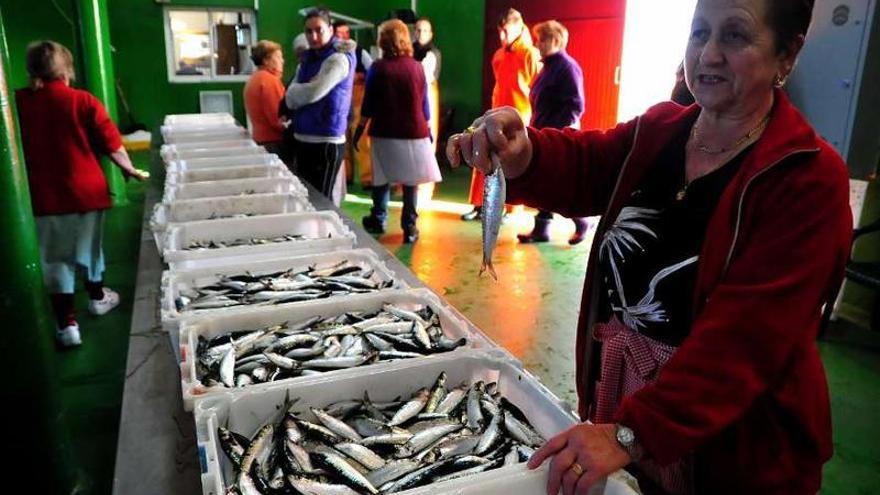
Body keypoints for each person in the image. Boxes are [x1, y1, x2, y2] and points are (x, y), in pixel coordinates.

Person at [447, 0, 850, 493]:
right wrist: (523, 150)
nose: (709, 53)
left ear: (787, 55)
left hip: (733, 445)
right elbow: (586, 165)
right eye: (700, 32)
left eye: (735, 36)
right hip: (626, 416)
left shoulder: (808, 179)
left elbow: (747, 340)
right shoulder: (661, 130)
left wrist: (633, 431)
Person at [15, 41, 147, 347]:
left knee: (54, 258)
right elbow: (113, 146)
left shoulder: (18, 102)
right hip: (85, 192)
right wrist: (130, 170)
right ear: (66, 69)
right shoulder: (82, 101)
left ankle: (67, 325)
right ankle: (98, 297)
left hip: (43, 196)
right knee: (90, 250)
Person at [354, 19, 442, 244]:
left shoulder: (378, 68)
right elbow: (424, 105)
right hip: (415, 131)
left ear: (382, 40)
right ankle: (409, 227)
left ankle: (378, 218)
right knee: (411, 181)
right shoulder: (416, 67)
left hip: (384, 131)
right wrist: (428, 130)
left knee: (382, 178)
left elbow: (368, 104)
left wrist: (360, 129)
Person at [517, 20, 591, 246]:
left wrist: (558, 134)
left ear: (555, 41)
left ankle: (582, 221)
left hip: (557, 137)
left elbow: (576, 105)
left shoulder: (568, 67)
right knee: (542, 182)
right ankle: (542, 230)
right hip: (542, 134)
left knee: (557, 184)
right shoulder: (548, 66)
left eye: (541, 39)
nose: (537, 44)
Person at [462, 8, 540, 222]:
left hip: (518, 119)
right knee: (482, 155)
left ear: (518, 27)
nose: (502, 37)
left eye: (506, 31)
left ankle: (507, 208)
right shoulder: (498, 55)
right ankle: (480, 204)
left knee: (510, 164)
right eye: (500, 32)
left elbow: (536, 88)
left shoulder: (530, 54)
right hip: (496, 114)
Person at [283, 8, 355, 204]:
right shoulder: (308, 59)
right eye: (308, 32)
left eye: (319, 30)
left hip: (326, 141)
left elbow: (312, 92)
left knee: (322, 202)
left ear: (331, 29)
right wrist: (296, 92)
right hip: (303, 138)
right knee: (306, 199)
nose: (313, 36)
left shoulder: (338, 58)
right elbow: (291, 93)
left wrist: (297, 92)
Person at [334, 19, 375, 188]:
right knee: (342, 140)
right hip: (338, 103)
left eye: (346, 33)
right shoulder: (330, 53)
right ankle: (346, 176)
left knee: (363, 142)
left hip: (358, 101)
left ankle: (367, 179)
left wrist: (361, 76)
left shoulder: (360, 52)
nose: (344, 37)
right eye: (339, 34)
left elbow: (373, 71)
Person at [243, 40, 289, 163]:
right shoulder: (269, 81)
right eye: (278, 57)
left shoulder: (254, 79)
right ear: (266, 60)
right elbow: (277, 119)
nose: (282, 61)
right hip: (274, 143)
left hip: (260, 140)